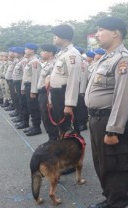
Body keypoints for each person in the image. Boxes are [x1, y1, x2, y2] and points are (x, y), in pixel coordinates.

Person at [85, 17, 128, 208]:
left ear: (115, 32)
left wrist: (113, 130)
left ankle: (117, 203)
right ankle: (110, 198)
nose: (97, 34)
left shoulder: (123, 59)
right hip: (97, 118)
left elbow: (123, 97)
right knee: (101, 163)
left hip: (110, 120)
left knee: (114, 165)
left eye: (100, 30)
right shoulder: (106, 57)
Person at [49, 24, 82, 174]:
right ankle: (64, 158)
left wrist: (69, 104)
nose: (53, 38)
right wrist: (50, 99)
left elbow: (74, 80)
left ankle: (72, 162)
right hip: (57, 95)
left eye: (55, 35)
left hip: (64, 95)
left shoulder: (72, 54)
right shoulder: (61, 53)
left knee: (69, 130)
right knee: (61, 129)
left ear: (63, 37)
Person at [36, 44, 59, 141]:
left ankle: (54, 139)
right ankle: (51, 138)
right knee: (45, 117)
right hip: (42, 93)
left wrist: (50, 100)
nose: (41, 53)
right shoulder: (46, 64)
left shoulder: (54, 65)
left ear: (50, 53)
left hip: (47, 94)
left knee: (49, 117)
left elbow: (53, 83)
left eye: (43, 51)